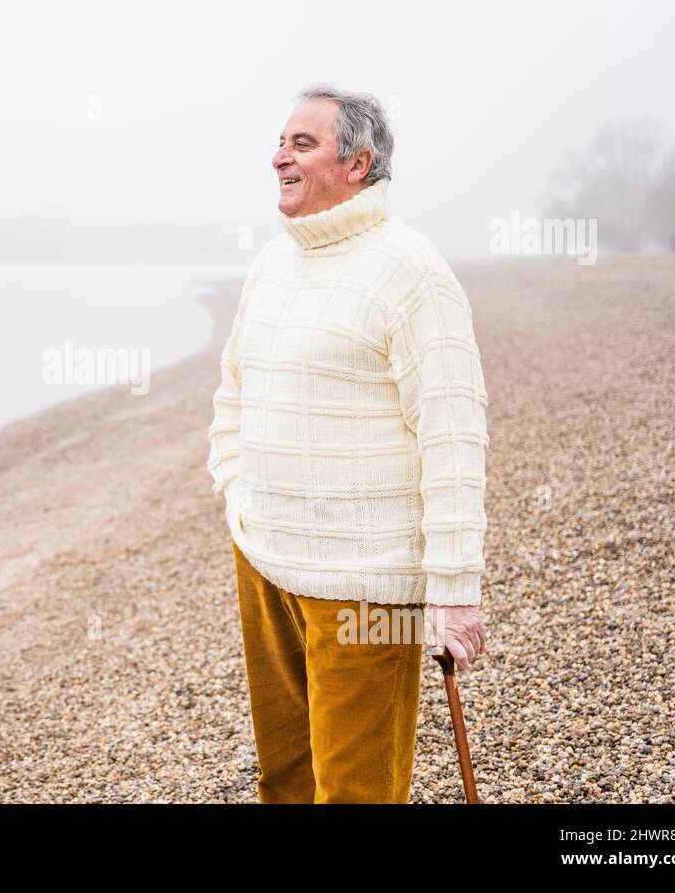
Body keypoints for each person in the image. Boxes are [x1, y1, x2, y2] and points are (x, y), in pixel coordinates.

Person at [206, 85, 489, 803]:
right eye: (280, 143)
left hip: (363, 588)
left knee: (356, 791)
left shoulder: (413, 271)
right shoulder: (272, 264)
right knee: (286, 781)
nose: (279, 157)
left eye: (302, 144)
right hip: (265, 564)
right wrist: (236, 490)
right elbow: (233, 392)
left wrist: (453, 593)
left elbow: (454, 437)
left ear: (359, 162)